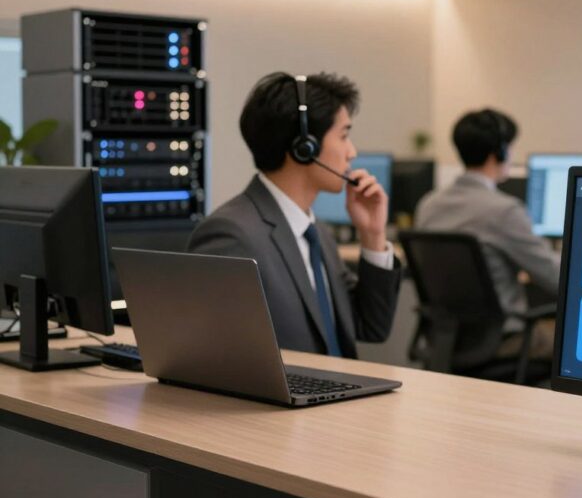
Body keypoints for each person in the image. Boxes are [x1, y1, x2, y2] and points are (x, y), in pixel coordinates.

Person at [188, 72, 401, 357]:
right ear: (304, 148)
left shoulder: (317, 233)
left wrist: (373, 235)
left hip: (342, 395)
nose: (352, 152)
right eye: (344, 135)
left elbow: (371, 327)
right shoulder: (231, 235)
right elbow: (217, 357)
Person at [415, 108, 560, 358]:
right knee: (575, 340)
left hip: (446, 340)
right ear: (501, 152)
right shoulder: (505, 211)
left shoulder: (428, 205)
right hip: (500, 341)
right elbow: (556, 278)